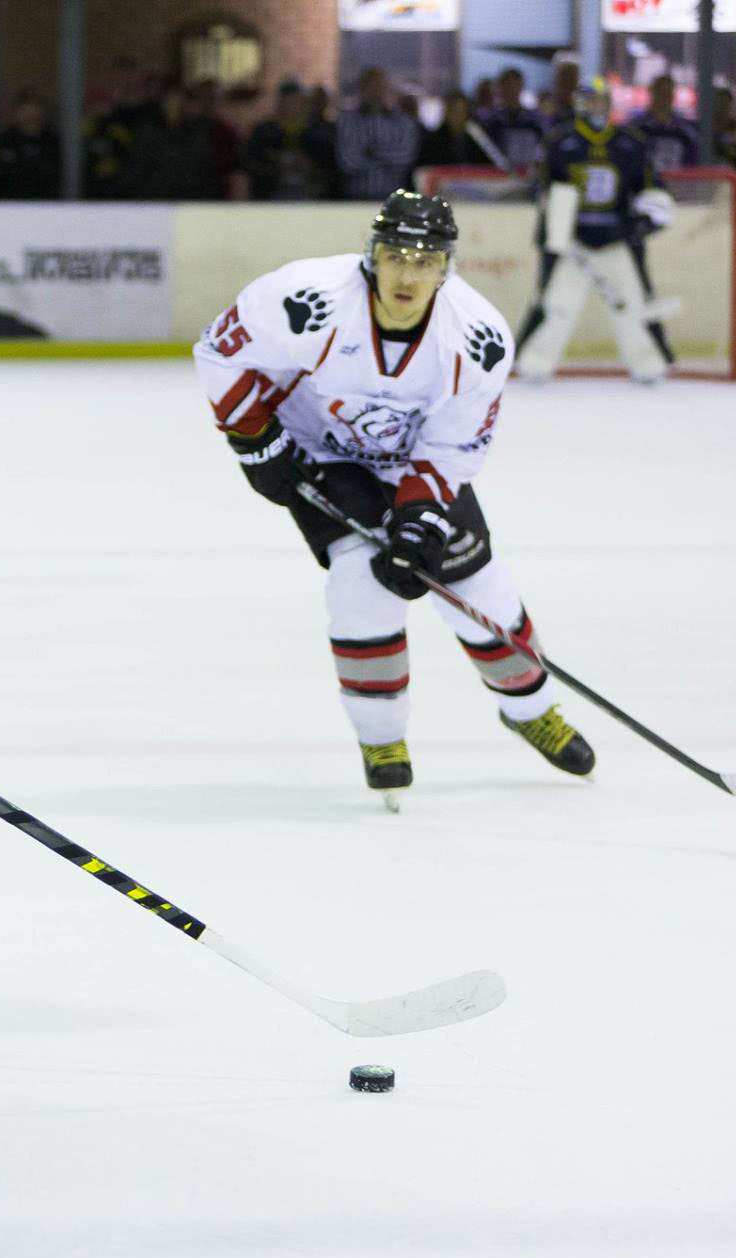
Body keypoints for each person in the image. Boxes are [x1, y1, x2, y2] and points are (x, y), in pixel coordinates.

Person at [193, 191, 594, 807]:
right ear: (372, 256)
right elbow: (221, 352)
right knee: (361, 584)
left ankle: (532, 710)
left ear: (446, 267)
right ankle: (381, 738)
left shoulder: (477, 338)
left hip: (414, 462)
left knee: (478, 588)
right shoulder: (306, 298)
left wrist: (418, 519)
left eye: (425, 261)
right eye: (397, 257)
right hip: (318, 452)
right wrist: (255, 440)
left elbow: (453, 445)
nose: (408, 276)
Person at [514, 78, 675, 383]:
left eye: (601, 100)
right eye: (590, 100)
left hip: (617, 239)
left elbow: (650, 187)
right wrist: (553, 226)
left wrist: (648, 216)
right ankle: (534, 362)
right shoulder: (560, 141)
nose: (596, 106)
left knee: (632, 303)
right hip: (572, 242)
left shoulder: (630, 142)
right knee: (558, 305)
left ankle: (649, 363)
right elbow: (544, 190)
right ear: (580, 104)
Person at [336, 67, 420, 200]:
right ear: (361, 89)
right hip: (355, 199)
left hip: (394, 199)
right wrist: (387, 156)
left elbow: (404, 158)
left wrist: (370, 153)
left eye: (379, 86)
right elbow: (348, 161)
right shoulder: (348, 122)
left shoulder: (404, 122)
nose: (375, 91)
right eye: (370, 86)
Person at [628, 74, 700, 175]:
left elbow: (693, 163)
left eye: (667, 94)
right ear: (652, 93)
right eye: (660, 93)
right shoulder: (635, 128)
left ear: (672, 96)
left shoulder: (686, 130)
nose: (663, 98)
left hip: (677, 181)